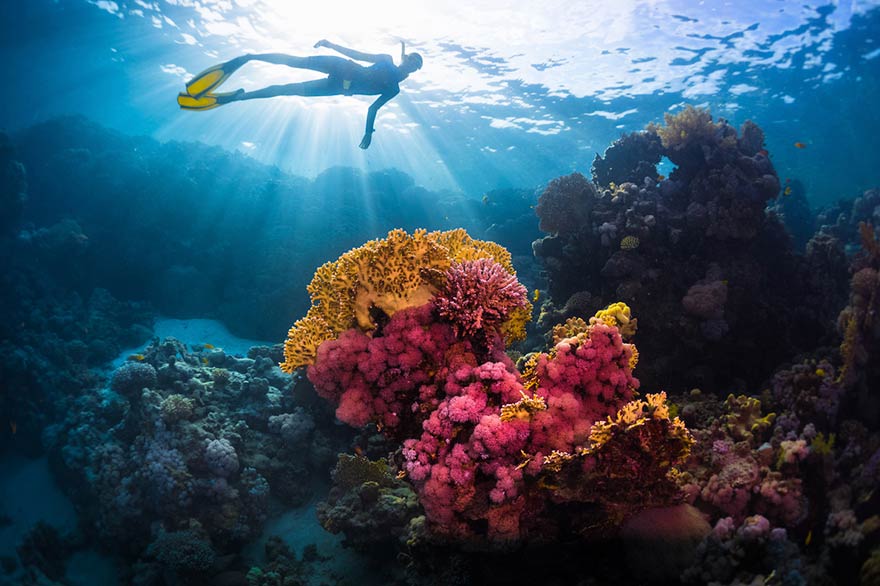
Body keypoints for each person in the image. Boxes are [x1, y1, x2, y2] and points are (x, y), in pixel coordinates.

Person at [178, 40, 423, 149]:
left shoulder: (394, 89)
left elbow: (373, 108)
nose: (411, 64)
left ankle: (238, 97)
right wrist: (332, 45)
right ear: (406, 59)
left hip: (337, 87)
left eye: (415, 65)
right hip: (341, 67)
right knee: (294, 61)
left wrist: (368, 132)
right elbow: (357, 55)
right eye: (411, 59)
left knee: (286, 90)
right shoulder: (386, 59)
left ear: (414, 71)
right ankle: (249, 57)